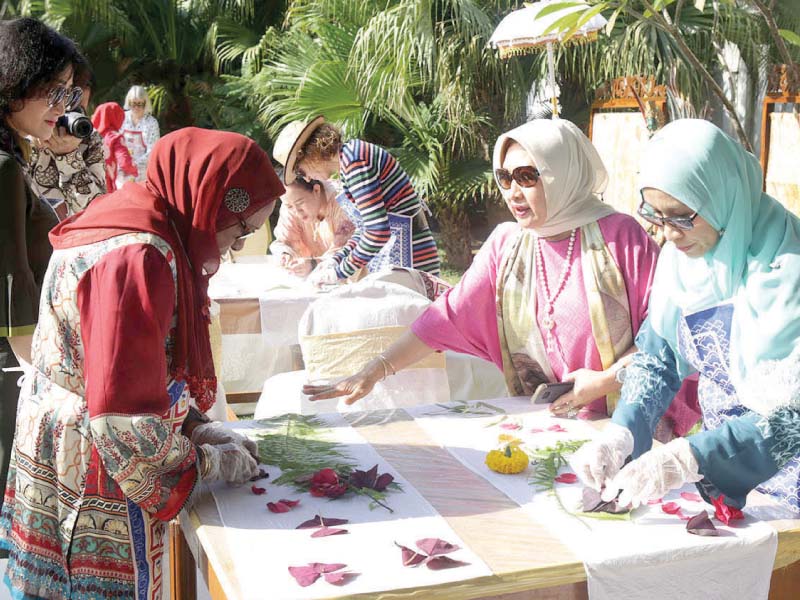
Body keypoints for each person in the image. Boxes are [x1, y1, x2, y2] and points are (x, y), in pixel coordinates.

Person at [0, 127, 284, 598]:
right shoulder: (139, 255)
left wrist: (192, 424)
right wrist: (207, 463)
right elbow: (121, 415)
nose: (235, 248)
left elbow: (134, 366)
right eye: (241, 231)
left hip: (73, 428)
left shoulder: (141, 220)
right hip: (91, 453)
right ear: (212, 203)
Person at [303, 119, 699, 437]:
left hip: (626, 428)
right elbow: (445, 317)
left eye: (528, 176)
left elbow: (665, 334)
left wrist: (601, 383)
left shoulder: (620, 235)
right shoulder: (508, 245)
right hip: (549, 428)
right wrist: (374, 370)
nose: (512, 191)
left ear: (562, 173)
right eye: (504, 177)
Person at [570, 119, 800, 514]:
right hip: (725, 482)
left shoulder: (787, 269)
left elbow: (793, 418)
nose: (669, 234)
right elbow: (658, 361)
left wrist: (691, 457)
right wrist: (623, 431)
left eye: (682, 216)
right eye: (656, 216)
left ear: (722, 197)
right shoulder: (684, 263)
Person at [0, 17, 84, 558]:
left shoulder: (13, 157)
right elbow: (10, 287)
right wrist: (56, 380)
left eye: (67, 91)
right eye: (52, 90)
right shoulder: (4, 167)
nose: (62, 104)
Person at [276, 117, 441, 284]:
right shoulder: (350, 159)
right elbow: (364, 229)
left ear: (310, 155)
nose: (308, 178)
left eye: (301, 170)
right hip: (396, 260)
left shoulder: (355, 161)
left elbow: (377, 232)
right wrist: (335, 260)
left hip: (410, 261)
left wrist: (338, 273)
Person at [28, 58, 105, 219]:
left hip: (75, 240)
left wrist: (69, 156)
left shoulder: (89, 138)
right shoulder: (23, 134)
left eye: (79, 111)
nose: (63, 113)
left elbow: (96, 209)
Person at [270, 176, 355, 277]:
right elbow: (284, 241)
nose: (297, 212)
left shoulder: (342, 203)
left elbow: (347, 250)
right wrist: (285, 254)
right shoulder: (291, 205)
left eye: (300, 203)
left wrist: (314, 264)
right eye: (289, 206)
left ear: (316, 190)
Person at [92, 101, 138, 192]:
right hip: (106, 186)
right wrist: (135, 170)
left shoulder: (90, 136)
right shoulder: (115, 137)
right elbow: (125, 162)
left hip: (87, 183)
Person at [121, 84, 160, 182]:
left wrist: (134, 164)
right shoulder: (121, 118)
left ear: (145, 103)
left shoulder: (151, 123)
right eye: (133, 104)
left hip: (143, 174)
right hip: (122, 171)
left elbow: (153, 150)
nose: (136, 108)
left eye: (140, 104)